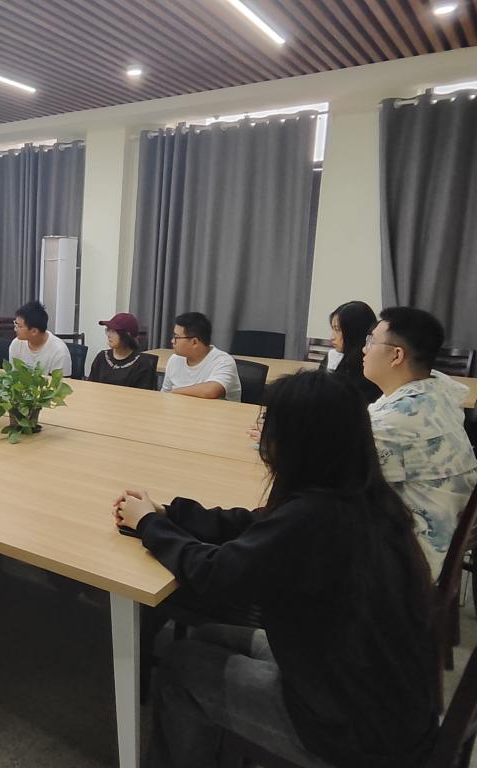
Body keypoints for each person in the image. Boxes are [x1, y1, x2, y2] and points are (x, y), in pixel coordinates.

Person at [114, 369, 438, 768]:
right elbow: (258, 524)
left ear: (297, 442)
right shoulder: (361, 496)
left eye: (269, 425)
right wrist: (172, 513)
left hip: (351, 731)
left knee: (182, 668)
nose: (263, 436)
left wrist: (150, 526)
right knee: (209, 634)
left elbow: (214, 576)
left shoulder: (313, 518)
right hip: (382, 694)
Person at [363, 307, 477, 573]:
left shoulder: (401, 419)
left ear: (396, 355)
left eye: (371, 341)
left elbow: (335, 473)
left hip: (410, 560)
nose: (364, 350)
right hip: (440, 536)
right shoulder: (438, 389)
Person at [160, 312, 241, 402]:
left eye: (176, 337)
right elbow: (164, 394)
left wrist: (175, 391)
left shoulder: (223, 361)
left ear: (194, 342)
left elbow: (211, 391)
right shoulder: (174, 359)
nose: (172, 341)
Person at [328, 301, 381, 403]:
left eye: (337, 329)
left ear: (354, 331)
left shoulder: (368, 369)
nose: (332, 337)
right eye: (333, 329)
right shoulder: (335, 356)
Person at [89, 313, 156, 389]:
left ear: (127, 335)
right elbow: (91, 386)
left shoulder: (142, 364)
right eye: (108, 330)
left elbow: (143, 394)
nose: (109, 335)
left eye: (114, 331)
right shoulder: (102, 357)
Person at [7, 301, 72, 376]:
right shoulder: (16, 344)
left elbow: (60, 382)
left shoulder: (59, 352)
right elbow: (13, 376)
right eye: (15, 324)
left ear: (34, 331)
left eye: (19, 326)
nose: (15, 329)